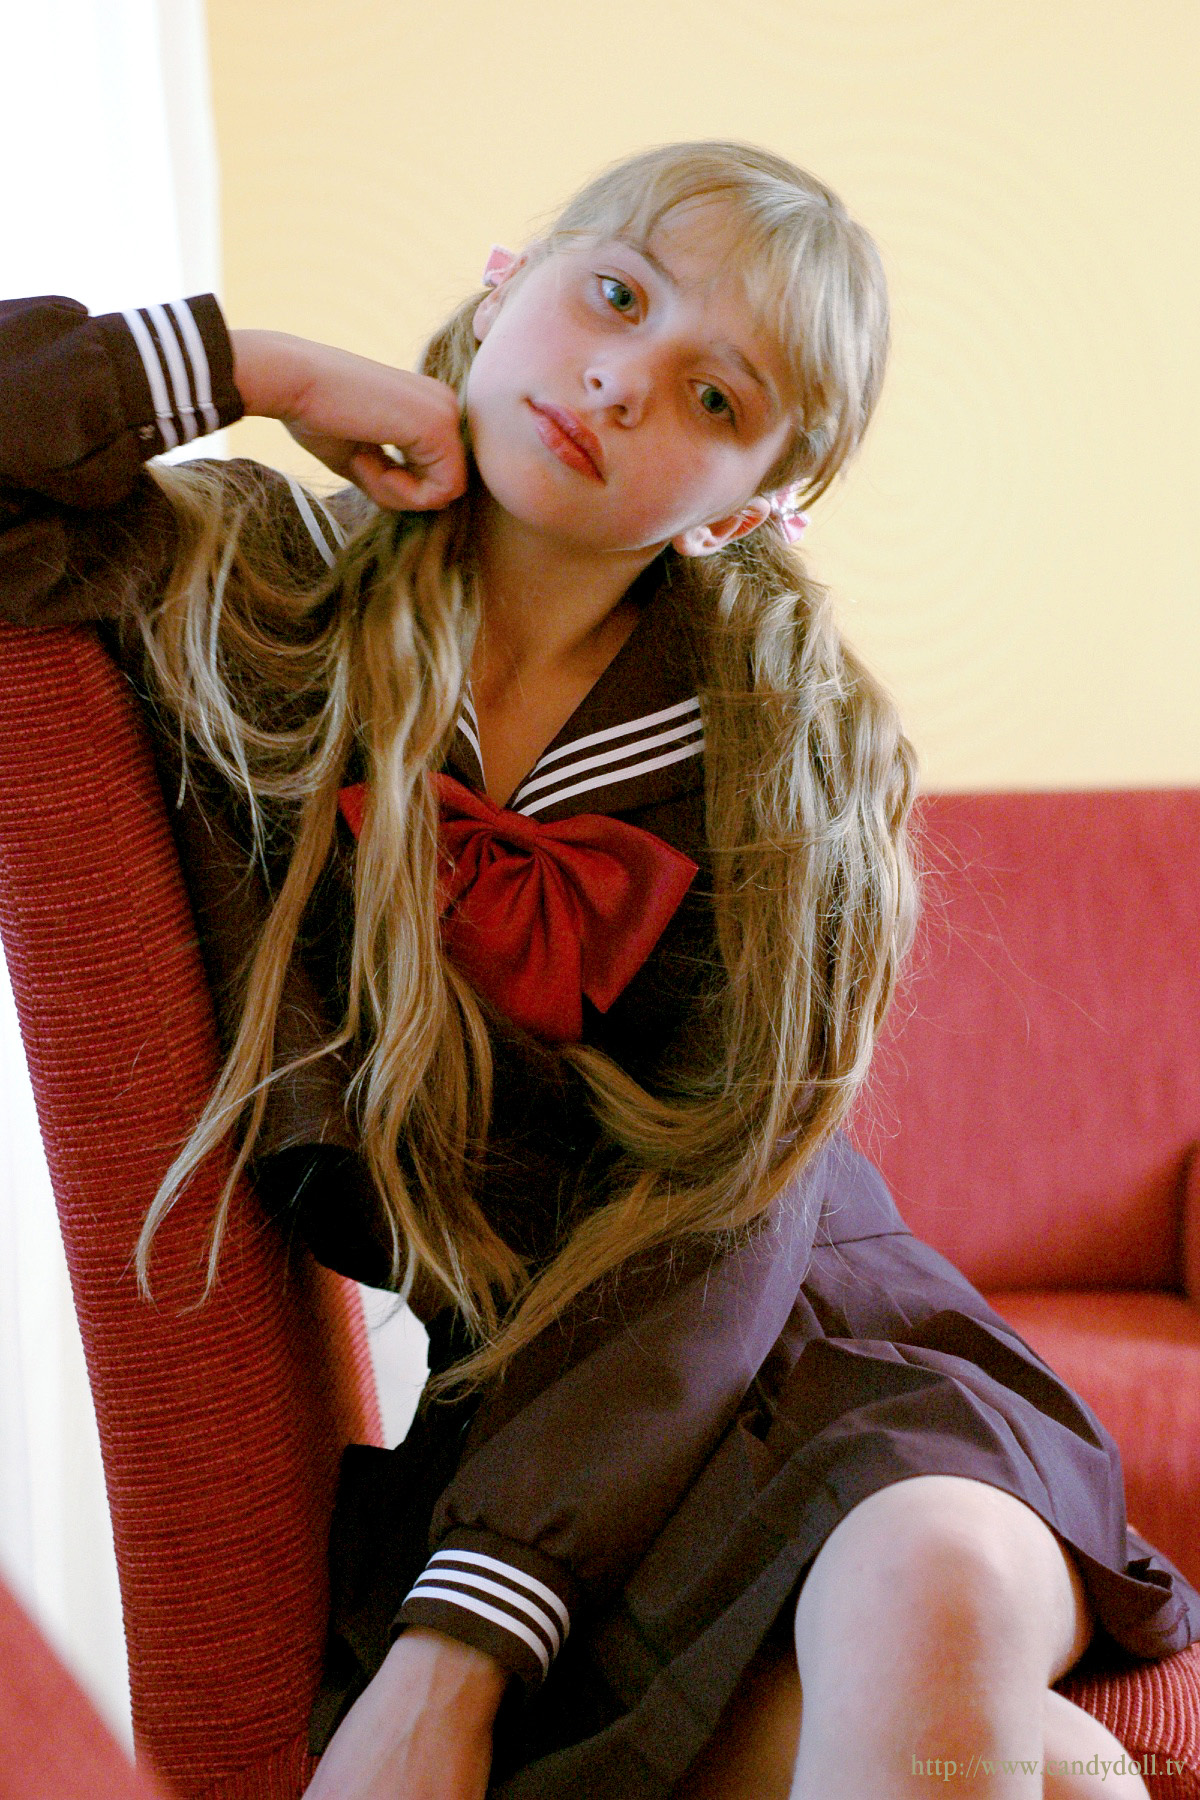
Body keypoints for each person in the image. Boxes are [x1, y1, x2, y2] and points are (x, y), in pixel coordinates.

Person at [1, 141, 1195, 1800]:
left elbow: (724, 1218)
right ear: (513, 281)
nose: (626, 381)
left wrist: (462, 1648)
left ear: (756, 502)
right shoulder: (253, 596)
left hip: (820, 1372)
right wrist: (265, 369)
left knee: (929, 1589)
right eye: (616, 295)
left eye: (716, 397)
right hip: (536, 1437)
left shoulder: (790, 750)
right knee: (990, 1750)